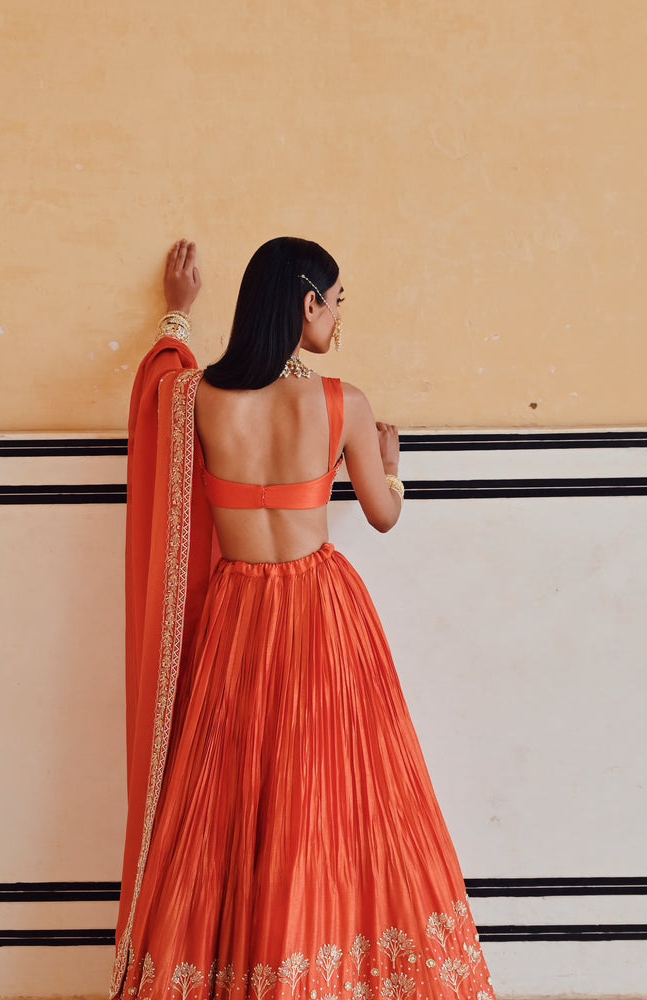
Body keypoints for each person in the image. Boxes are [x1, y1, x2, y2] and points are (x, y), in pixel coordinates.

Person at [115, 238, 496, 1000]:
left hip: (238, 612)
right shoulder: (343, 403)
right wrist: (390, 464)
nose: (338, 318)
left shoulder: (196, 401)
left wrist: (177, 315)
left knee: (231, 801)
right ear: (306, 304)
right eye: (336, 301)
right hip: (321, 610)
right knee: (331, 796)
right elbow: (383, 516)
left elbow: (161, 394)